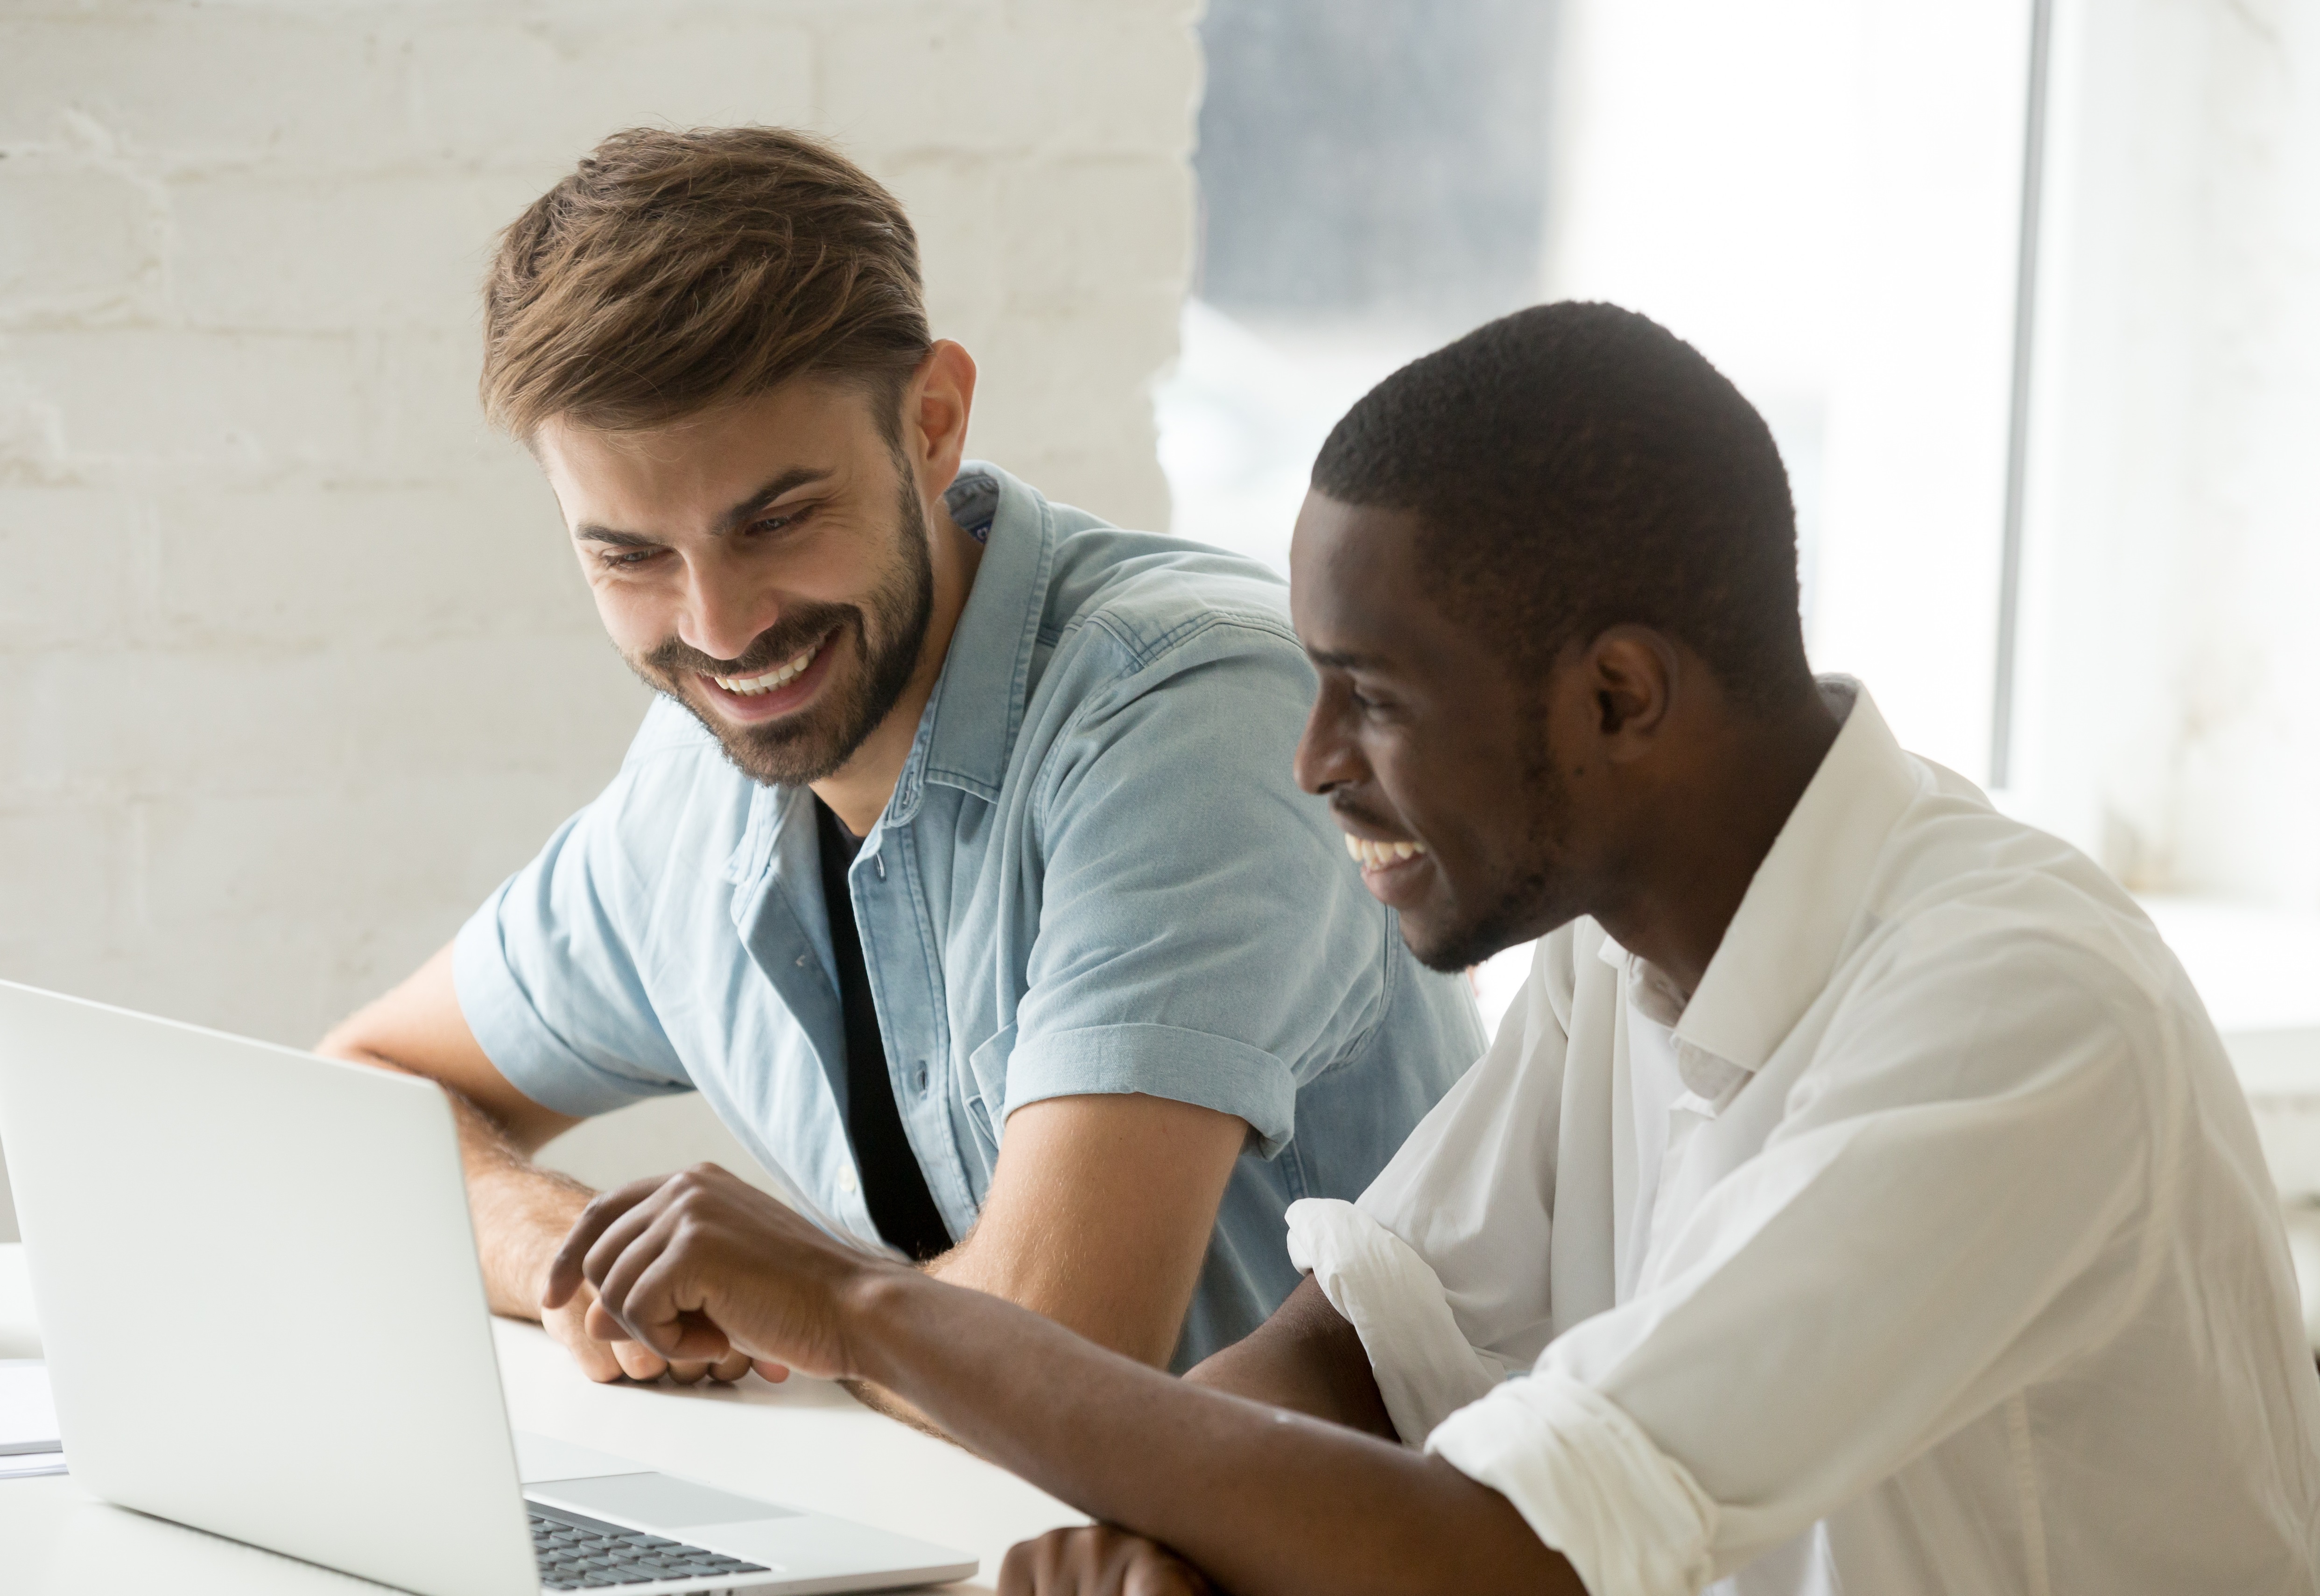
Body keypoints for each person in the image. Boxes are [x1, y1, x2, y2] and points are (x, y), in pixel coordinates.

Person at [546, 302, 2320, 1595]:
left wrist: (859, 1304)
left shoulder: (2011, 1004)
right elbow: (1355, 1352)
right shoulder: (1617, 950)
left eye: (1372, 699)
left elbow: (1500, 1551)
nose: (1311, 759)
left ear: (1620, 696)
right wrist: (1163, 1542)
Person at [318, 126, 1482, 1397]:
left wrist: (797, 1300)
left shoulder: (1192, 710)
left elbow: (1067, 1340)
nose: (718, 627)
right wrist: (573, 1258)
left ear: (931, 423)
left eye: (777, 519)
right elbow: (361, 1092)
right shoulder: (692, 786)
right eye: (629, 556)